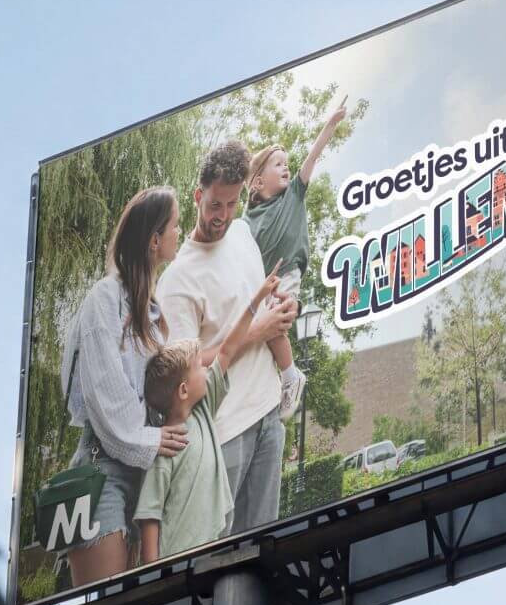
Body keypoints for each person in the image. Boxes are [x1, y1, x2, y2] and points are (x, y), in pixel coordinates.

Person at [157, 140, 299, 537]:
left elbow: (259, 298)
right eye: (215, 205)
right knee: (224, 563)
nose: (222, 216)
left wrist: (282, 306)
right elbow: (183, 374)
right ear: (198, 196)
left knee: (266, 548)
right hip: (225, 433)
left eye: (232, 204)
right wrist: (255, 333)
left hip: (269, 415)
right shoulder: (177, 281)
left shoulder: (242, 234)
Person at [59, 186, 189, 588]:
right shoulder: (104, 300)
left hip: (145, 475)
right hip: (103, 474)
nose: (179, 233)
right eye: (174, 226)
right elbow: (107, 399)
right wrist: (151, 438)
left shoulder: (151, 309)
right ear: (154, 240)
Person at [135, 273, 282, 561]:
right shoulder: (166, 450)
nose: (207, 369)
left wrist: (256, 301)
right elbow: (149, 517)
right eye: (198, 368)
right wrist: (152, 577)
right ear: (184, 389)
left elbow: (228, 349)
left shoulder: (203, 411)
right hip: (176, 563)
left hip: (211, 551)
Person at [244, 95, 349, 418]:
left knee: (275, 315)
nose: (286, 167)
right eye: (278, 164)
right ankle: (276, 377)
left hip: (287, 273)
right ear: (259, 181)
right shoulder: (247, 219)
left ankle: (291, 375)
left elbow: (311, 159)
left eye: (286, 162)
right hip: (261, 281)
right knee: (260, 322)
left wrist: (330, 125)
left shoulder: (294, 194)